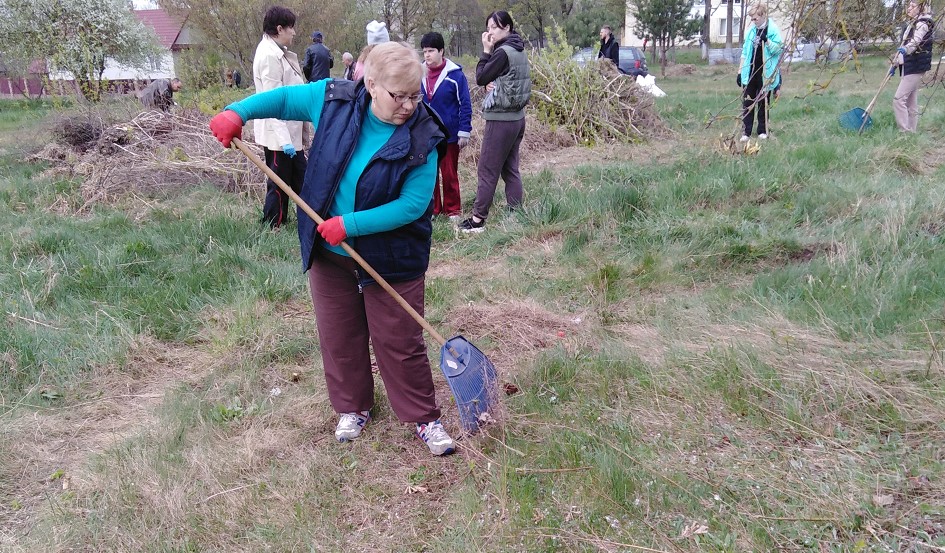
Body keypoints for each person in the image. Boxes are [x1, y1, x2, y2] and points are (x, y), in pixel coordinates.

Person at [209, 41, 456, 456]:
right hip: (330, 251)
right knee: (339, 333)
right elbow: (285, 98)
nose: (410, 106)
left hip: (393, 254)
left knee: (400, 339)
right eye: (400, 96)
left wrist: (351, 224)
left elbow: (415, 204)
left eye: (416, 95)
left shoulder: (424, 134)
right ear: (370, 83)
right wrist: (238, 112)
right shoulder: (333, 100)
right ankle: (353, 407)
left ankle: (422, 416)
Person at [458, 11, 531, 234]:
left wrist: (486, 50)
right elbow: (510, 80)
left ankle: (478, 219)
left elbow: (480, 77)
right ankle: (515, 212)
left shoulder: (501, 52)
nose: (490, 32)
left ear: (507, 28)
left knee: (487, 170)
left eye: (495, 27)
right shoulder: (519, 49)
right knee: (510, 169)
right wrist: (495, 83)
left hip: (500, 120)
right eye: (489, 27)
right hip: (518, 118)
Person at [252, 6, 306, 229]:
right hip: (279, 135)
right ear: (279, 28)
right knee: (279, 181)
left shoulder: (278, 51)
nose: (294, 33)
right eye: (291, 28)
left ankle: (310, 221)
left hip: (289, 131)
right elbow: (271, 101)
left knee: (301, 179)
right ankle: (273, 224)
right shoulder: (268, 56)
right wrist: (284, 140)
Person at [420, 31, 472, 221]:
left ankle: (453, 210)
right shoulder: (418, 74)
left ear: (441, 51)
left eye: (431, 50)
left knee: (449, 173)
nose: (427, 55)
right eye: (424, 51)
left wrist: (464, 130)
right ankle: (433, 209)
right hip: (426, 134)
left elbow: (465, 104)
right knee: (429, 173)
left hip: (449, 134)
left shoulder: (455, 75)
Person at [738, 2, 783, 142]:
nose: (753, 20)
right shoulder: (751, 31)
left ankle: (762, 130)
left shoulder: (772, 29)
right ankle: (746, 132)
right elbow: (744, 53)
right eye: (751, 18)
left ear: (763, 15)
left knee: (763, 102)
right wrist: (740, 72)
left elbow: (778, 49)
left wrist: (767, 41)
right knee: (748, 102)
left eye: (755, 18)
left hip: (765, 72)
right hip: (750, 72)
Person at [891, 0, 934, 132]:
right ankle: (912, 133)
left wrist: (906, 49)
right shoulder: (913, 23)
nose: (909, 8)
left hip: (915, 66)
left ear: (921, 9)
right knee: (911, 101)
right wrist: (896, 63)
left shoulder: (922, 23)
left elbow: (915, 42)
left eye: (912, 6)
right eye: (908, 5)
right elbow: (905, 44)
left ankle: (904, 131)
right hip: (910, 66)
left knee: (898, 100)